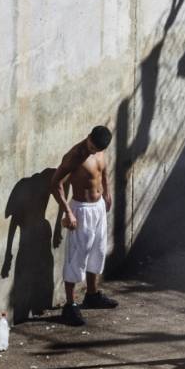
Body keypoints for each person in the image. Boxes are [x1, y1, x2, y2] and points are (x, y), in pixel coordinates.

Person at [51, 125, 117, 326]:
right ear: (88, 136)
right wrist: (68, 212)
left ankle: (92, 294)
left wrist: (106, 191)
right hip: (81, 210)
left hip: (98, 208)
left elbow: (103, 172)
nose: (93, 151)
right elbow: (55, 184)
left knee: (97, 250)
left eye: (96, 149)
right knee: (77, 257)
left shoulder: (100, 149)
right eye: (91, 146)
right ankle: (70, 306)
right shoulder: (75, 155)